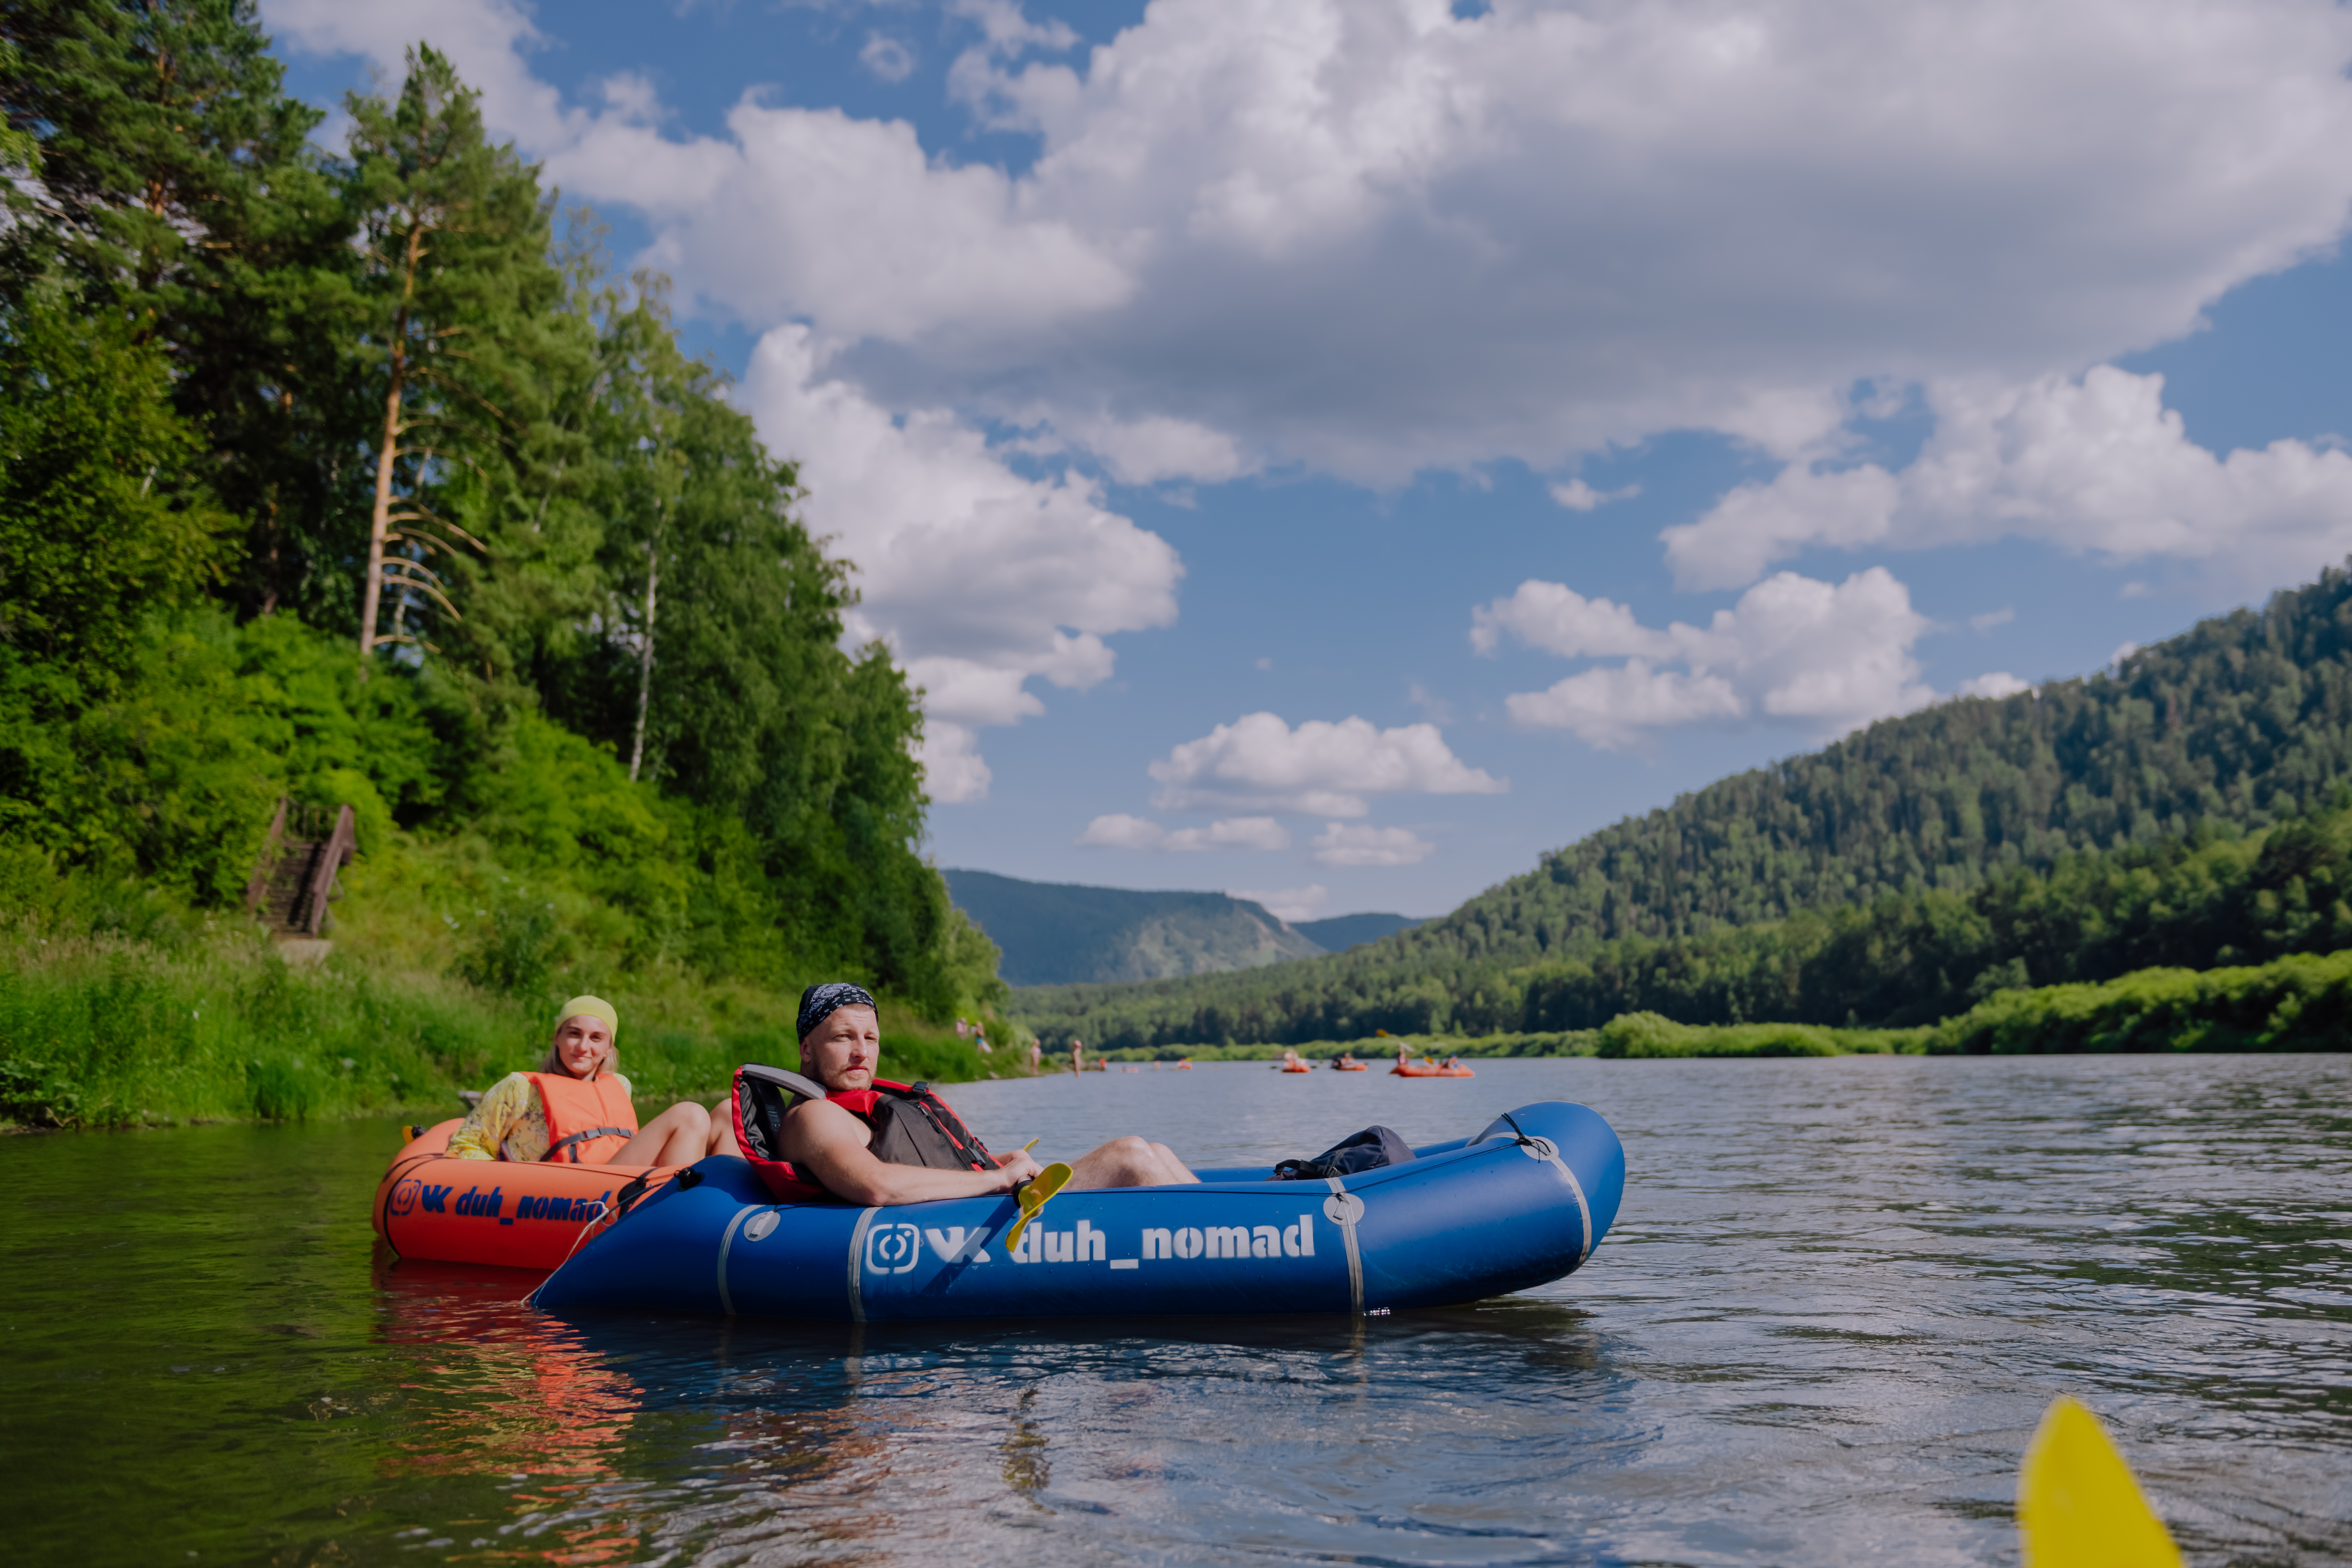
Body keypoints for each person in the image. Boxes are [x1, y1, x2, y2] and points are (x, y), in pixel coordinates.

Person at [777, 983, 1196, 1205]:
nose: (861, 1051)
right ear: (807, 1049)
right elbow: (876, 1185)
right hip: (965, 1220)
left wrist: (997, 1161)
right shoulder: (816, 1115)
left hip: (977, 1202)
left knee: (1152, 1149)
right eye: (843, 1037)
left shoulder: (852, 1109)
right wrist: (997, 1178)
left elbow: (901, 1158)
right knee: (1130, 1156)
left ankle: (1255, 1218)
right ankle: (1246, 1244)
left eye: (870, 1037)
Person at [448, 997, 737, 1167]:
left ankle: (723, 1212)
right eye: (574, 1034)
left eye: (596, 1038)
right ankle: (684, 1216)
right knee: (690, 1113)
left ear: (608, 1049)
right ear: (557, 1038)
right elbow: (462, 1146)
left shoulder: (619, 1085)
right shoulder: (520, 1088)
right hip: (567, 1194)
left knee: (727, 1111)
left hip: (615, 1178)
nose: (583, 1047)